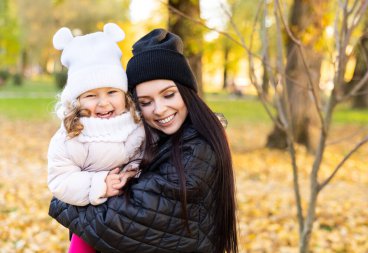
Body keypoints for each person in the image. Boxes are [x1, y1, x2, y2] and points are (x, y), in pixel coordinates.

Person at [49, 28, 238, 253]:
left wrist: (63, 202)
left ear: (186, 92)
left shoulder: (198, 149)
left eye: (169, 95)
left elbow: (129, 219)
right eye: (146, 102)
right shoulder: (149, 135)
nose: (159, 109)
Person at [47, 23, 145, 253]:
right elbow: (60, 180)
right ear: (76, 100)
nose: (103, 103)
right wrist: (99, 183)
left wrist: (133, 171)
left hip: (136, 219)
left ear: (124, 94)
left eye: (112, 92)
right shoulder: (72, 136)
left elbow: (151, 154)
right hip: (92, 223)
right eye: (91, 95)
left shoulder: (138, 125)